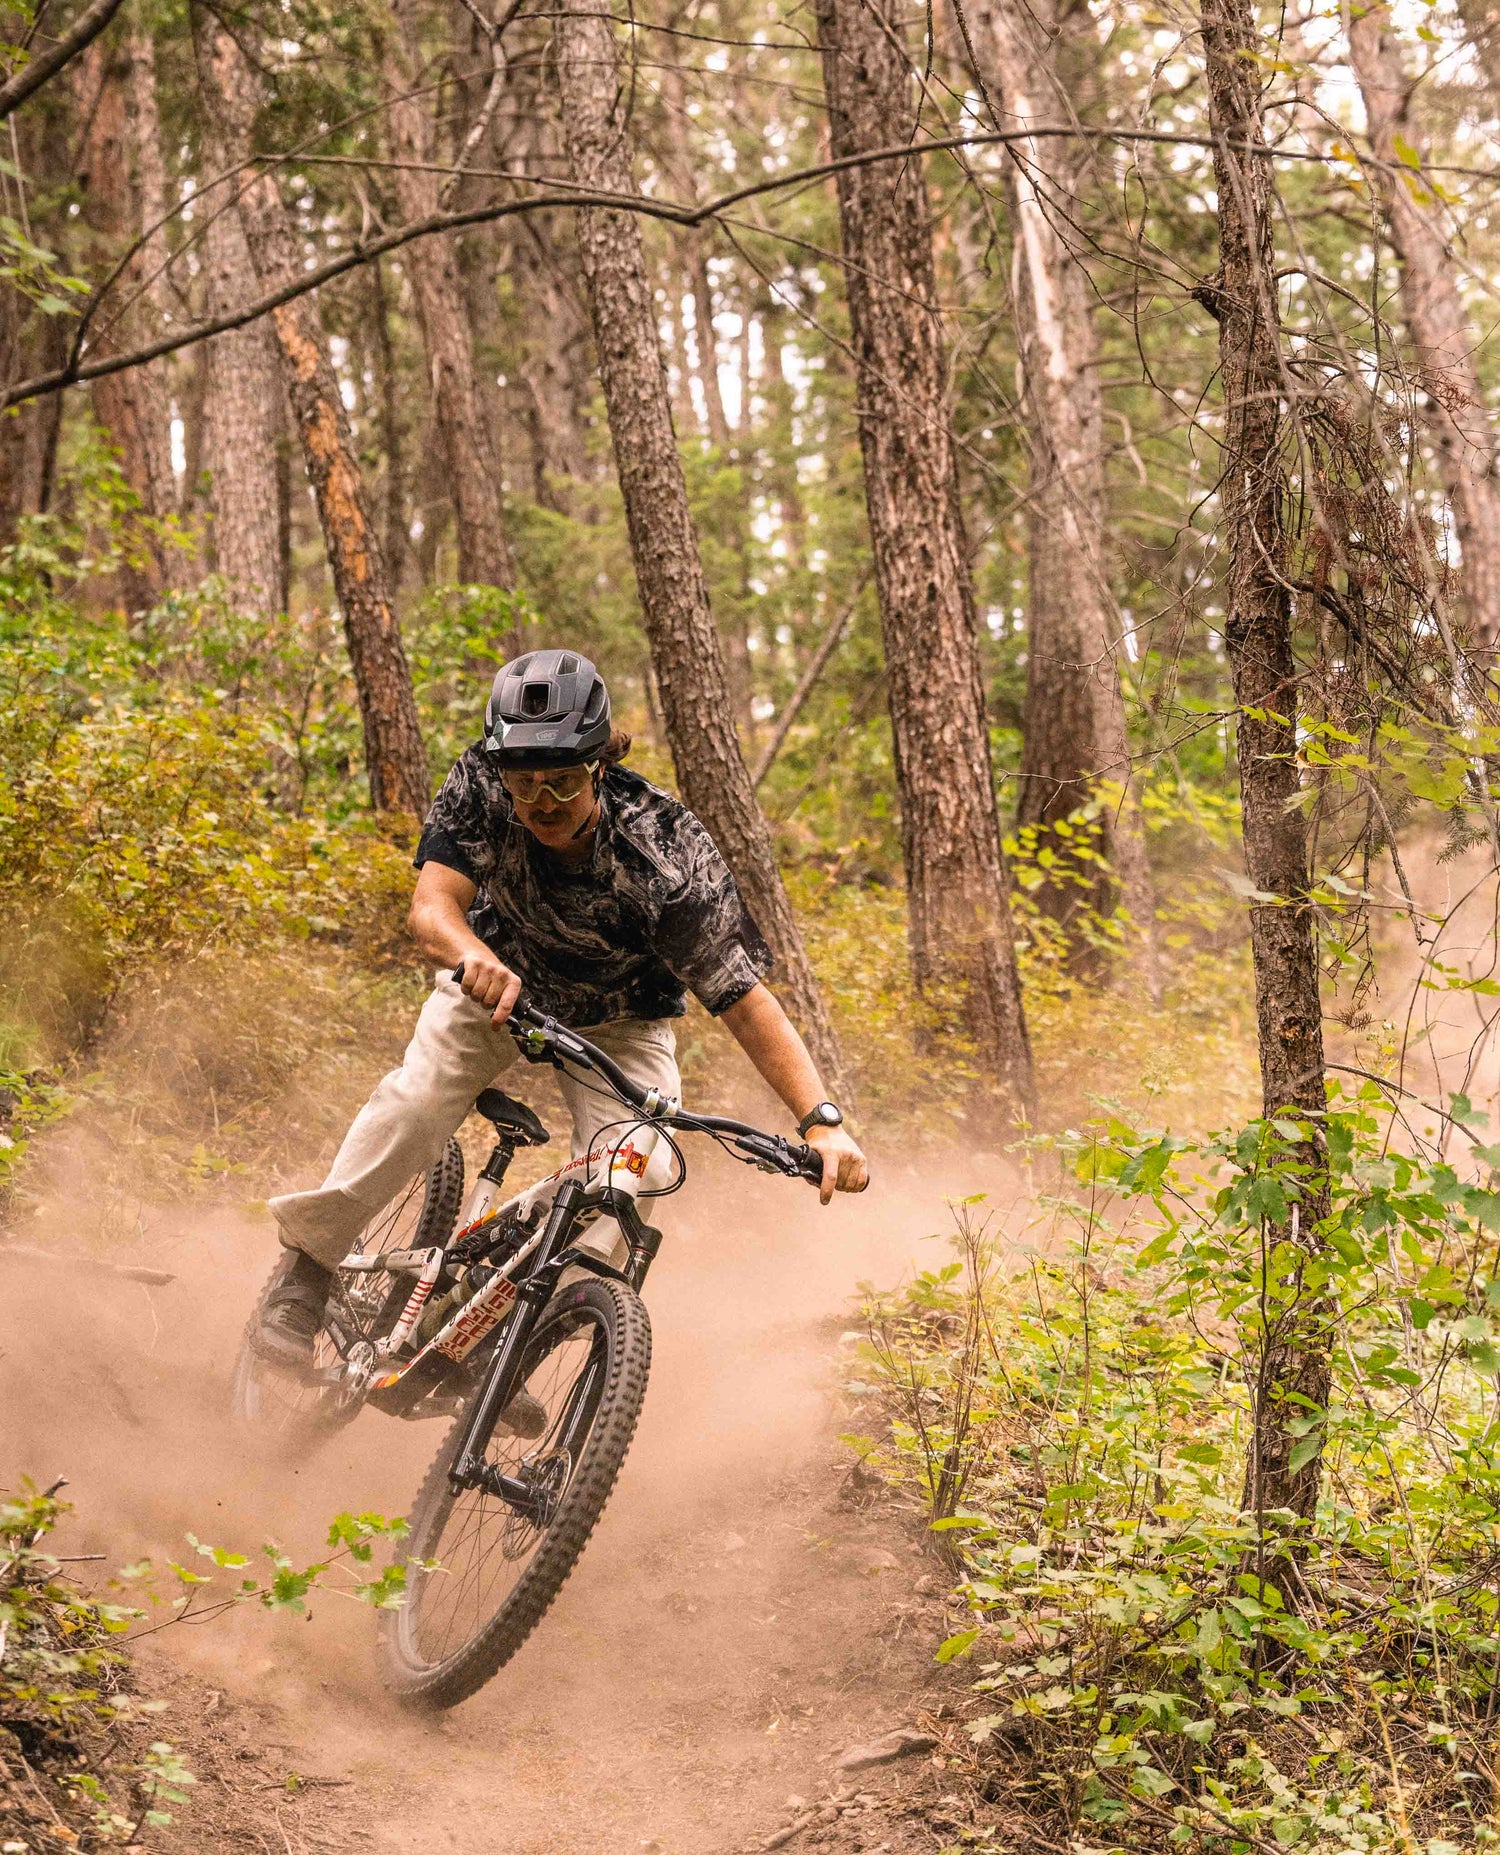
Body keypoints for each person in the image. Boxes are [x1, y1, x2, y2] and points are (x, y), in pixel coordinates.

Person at [256, 647, 869, 1360]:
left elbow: (743, 999)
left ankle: (514, 1340)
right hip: (492, 987)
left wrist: (821, 1121)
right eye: (526, 783)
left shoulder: (665, 850)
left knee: (633, 1169)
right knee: (417, 1103)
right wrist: (473, 956)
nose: (542, 803)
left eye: (564, 782)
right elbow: (432, 908)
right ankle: (307, 1271)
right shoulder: (480, 783)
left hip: (619, 1020)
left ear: (600, 767)